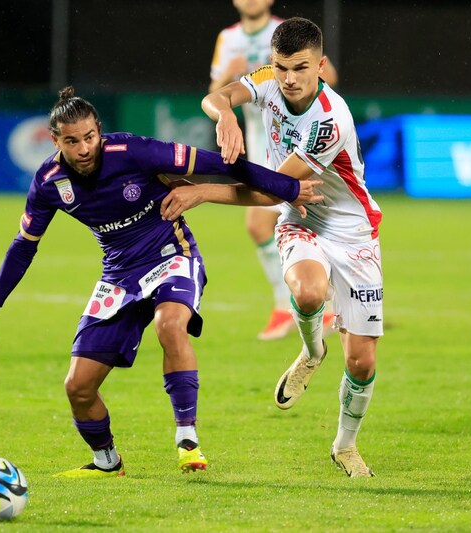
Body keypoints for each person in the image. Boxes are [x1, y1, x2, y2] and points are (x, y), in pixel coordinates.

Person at [0, 86, 322, 478]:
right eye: (72, 142)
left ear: (99, 131)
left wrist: (287, 188)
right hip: (118, 276)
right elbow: (24, 247)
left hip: (172, 255)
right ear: (56, 141)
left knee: (169, 325)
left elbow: (221, 163)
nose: (85, 148)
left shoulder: (133, 151)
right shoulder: (49, 183)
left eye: (90, 137)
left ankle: (187, 439)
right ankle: (107, 462)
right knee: (78, 387)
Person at [164, 17, 382, 477]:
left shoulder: (330, 119)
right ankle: (313, 350)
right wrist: (224, 111)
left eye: (301, 68)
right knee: (306, 292)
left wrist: (202, 189)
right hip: (302, 217)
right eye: (281, 67)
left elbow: (270, 190)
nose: (289, 78)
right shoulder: (268, 80)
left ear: (321, 65)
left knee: (361, 361)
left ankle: (345, 445)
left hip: (352, 229)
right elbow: (216, 94)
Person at [210, 0, 338, 341]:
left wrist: (290, 72)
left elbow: (330, 77)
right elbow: (214, 94)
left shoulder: (285, 34)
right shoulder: (228, 38)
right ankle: (320, 299)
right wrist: (229, 78)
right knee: (273, 220)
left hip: (292, 140)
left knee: (264, 219)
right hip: (259, 140)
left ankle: (299, 302)